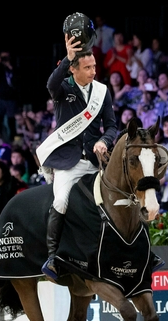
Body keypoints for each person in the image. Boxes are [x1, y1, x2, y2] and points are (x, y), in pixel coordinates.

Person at [36, 19, 118, 276]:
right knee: (61, 200)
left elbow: (112, 126)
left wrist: (104, 141)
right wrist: (66, 58)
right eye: (88, 67)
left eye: (94, 66)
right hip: (69, 163)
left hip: (95, 163)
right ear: (74, 70)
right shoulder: (63, 88)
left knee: (124, 197)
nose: (94, 71)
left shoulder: (102, 91)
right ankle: (52, 258)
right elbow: (50, 84)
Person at [0, 50, 21, 140]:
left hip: (11, 99)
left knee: (11, 121)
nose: (5, 59)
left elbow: (18, 81)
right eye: (3, 57)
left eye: (7, 57)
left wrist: (10, 66)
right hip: (0, 98)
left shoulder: (14, 68)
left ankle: (13, 141)